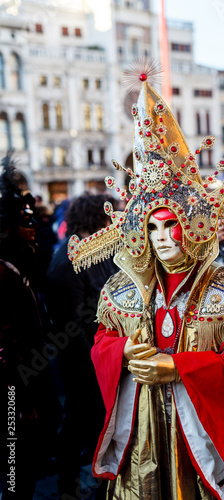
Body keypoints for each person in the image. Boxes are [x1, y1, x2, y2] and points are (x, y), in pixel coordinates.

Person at [68, 71, 224, 499]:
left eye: (171, 226)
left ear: (195, 227)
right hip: (144, 441)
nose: (161, 238)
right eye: (152, 228)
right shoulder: (120, 294)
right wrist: (121, 351)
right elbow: (102, 340)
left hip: (205, 446)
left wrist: (180, 368)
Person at [45, 192, 119, 499]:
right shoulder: (68, 261)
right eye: (109, 217)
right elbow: (72, 326)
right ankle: (73, 486)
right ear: (96, 220)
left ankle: (88, 483)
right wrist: (100, 360)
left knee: (86, 423)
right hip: (83, 360)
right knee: (83, 423)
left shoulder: (95, 253)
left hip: (99, 356)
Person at [0, 152, 61, 499]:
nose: (33, 226)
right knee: (14, 467)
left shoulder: (18, 266)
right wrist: (20, 402)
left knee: (26, 466)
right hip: (13, 392)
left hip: (31, 382)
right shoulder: (2, 273)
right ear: (7, 228)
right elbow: (4, 347)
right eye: (25, 221)